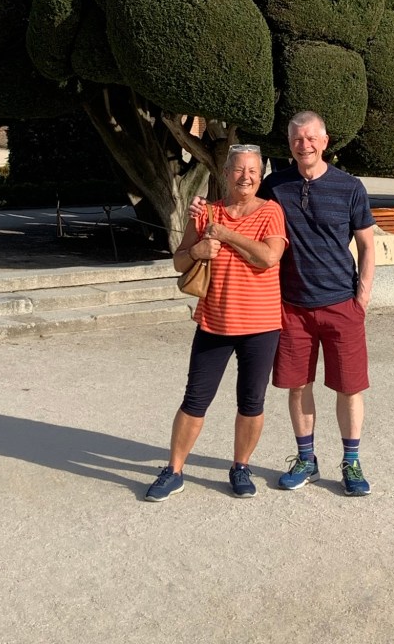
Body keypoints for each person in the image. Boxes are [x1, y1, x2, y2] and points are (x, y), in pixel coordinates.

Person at [192, 111, 375, 497]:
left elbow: (366, 243)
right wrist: (202, 208)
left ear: (325, 142)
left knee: (349, 388)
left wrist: (362, 296)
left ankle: (351, 462)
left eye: (311, 138)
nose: (304, 145)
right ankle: (306, 459)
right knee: (297, 386)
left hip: (341, 303)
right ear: (290, 144)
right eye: (297, 139)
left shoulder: (350, 187)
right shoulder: (277, 185)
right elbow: (239, 202)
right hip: (291, 305)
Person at [145, 144, 287, 501]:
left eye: (253, 171)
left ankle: (241, 466)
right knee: (194, 399)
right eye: (238, 169)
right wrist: (196, 250)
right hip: (214, 323)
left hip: (261, 325)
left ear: (261, 176)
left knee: (251, 401)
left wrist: (225, 235)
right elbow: (179, 262)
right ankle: (174, 470)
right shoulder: (206, 212)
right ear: (225, 174)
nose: (246, 177)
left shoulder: (271, 211)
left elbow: (269, 257)